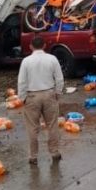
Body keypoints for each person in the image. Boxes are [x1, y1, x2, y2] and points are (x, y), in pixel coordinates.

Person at [17, 36, 64, 165]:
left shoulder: (26, 61)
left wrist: (22, 98)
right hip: (49, 93)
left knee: (32, 128)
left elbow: (22, 81)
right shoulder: (52, 59)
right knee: (52, 125)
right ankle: (54, 152)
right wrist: (58, 92)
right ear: (44, 45)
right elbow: (59, 78)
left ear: (31, 46)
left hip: (32, 96)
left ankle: (33, 156)